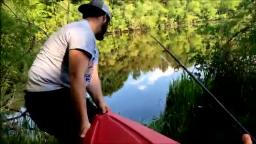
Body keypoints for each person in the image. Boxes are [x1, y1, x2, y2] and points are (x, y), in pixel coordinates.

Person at [24, 0, 111, 143]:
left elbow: (91, 78)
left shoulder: (86, 38)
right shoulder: (83, 33)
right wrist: (83, 121)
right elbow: (76, 76)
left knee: (95, 118)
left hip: (52, 95)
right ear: (104, 18)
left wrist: (101, 103)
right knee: (85, 133)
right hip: (45, 98)